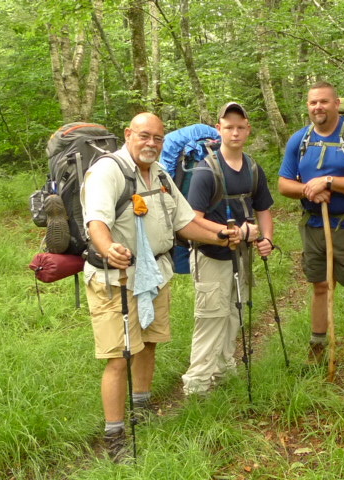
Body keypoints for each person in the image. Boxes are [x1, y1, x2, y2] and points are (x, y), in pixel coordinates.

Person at [81, 112, 239, 462]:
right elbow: (96, 221)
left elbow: (185, 222)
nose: (151, 143)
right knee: (119, 357)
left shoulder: (161, 174)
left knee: (148, 344)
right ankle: (115, 435)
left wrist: (222, 235)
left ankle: (142, 407)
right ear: (128, 134)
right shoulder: (108, 171)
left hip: (154, 274)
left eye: (158, 138)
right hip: (115, 278)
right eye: (144, 136)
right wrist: (110, 249)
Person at [278, 81, 344, 366]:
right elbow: (284, 184)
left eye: (323, 101)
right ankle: (318, 344)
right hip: (313, 225)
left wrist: (330, 181)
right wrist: (308, 189)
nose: (317, 107)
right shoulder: (300, 140)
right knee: (320, 286)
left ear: (336, 103)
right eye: (313, 103)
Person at [181, 102, 275, 396]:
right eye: (229, 127)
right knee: (211, 317)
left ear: (247, 130)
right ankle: (197, 384)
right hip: (211, 254)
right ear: (218, 129)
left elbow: (264, 208)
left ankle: (224, 369)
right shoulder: (205, 171)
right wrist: (229, 232)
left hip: (242, 256)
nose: (235, 132)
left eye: (240, 127)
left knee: (235, 312)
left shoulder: (252, 167)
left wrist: (266, 239)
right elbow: (192, 219)